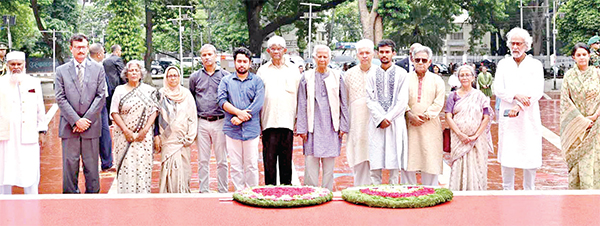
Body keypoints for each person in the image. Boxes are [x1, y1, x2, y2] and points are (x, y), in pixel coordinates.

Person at [493, 27, 544, 190]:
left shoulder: (535, 65)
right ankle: (507, 189)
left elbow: (537, 91)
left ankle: (530, 189)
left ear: (526, 45)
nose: (515, 47)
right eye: (512, 43)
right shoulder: (503, 64)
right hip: (508, 115)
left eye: (518, 44)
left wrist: (520, 105)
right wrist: (515, 95)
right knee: (508, 150)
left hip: (528, 115)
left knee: (529, 149)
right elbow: (498, 89)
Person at [55, 34, 106, 193]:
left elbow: (101, 95)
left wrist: (86, 120)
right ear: (71, 48)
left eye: (84, 47)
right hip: (70, 127)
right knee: (70, 168)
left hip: (91, 127)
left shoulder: (98, 69)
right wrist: (76, 121)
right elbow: (60, 97)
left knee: (92, 168)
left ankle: (93, 201)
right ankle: (69, 202)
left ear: (87, 47)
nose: (81, 50)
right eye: (77, 47)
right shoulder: (61, 71)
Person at [297, 45, 349, 191]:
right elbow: (301, 104)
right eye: (319, 56)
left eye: (325, 56)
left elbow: (344, 103)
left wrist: (343, 126)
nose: (322, 59)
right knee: (310, 165)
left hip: (331, 126)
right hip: (312, 126)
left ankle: (327, 193)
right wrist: (302, 128)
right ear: (314, 58)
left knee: (329, 167)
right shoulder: (306, 77)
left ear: (329, 58)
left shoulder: (338, 76)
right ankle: (310, 193)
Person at [256, 36, 302, 185]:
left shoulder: (294, 71)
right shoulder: (262, 71)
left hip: (287, 122)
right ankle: (269, 193)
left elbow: (300, 97)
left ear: (285, 50)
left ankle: (286, 193)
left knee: (286, 162)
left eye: (279, 48)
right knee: (269, 162)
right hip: (268, 122)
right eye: (273, 48)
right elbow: (257, 98)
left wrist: (297, 121)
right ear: (268, 51)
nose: (276, 51)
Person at [217, 47, 264, 191]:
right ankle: (239, 192)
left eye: (245, 61)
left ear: (250, 63)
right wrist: (238, 113)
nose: (241, 64)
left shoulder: (257, 81)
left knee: (251, 164)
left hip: (251, 130)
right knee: (236, 165)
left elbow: (258, 103)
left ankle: (252, 193)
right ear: (235, 62)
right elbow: (221, 100)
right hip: (232, 129)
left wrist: (241, 119)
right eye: (239, 61)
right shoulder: (226, 81)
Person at [0, 51, 47, 194]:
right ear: (7, 65)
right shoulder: (0, 83)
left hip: (28, 133)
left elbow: (40, 108)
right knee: (4, 170)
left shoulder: (33, 82)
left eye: (19, 64)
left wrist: (42, 130)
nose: (16, 67)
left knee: (29, 169)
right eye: (12, 64)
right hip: (5, 135)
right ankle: (3, 201)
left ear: (24, 65)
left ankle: (32, 198)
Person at [365, 39, 409, 185]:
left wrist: (388, 118)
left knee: (394, 158)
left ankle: (393, 191)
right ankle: (375, 191)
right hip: (377, 123)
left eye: (387, 52)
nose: (384, 55)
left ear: (393, 53)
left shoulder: (402, 74)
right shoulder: (371, 73)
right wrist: (380, 119)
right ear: (377, 54)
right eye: (381, 52)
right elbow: (369, 99)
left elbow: (402, 100)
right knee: (375, 157)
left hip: (395, 122)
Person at [110, 60, 158, 193]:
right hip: (124, 136)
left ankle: (143, 196)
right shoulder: (119, 90)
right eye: (131, 70)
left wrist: (145, 130)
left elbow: (154, 111)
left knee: (143, 167)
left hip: (144, 137)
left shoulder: (149, 91)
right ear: (126, 73)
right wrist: (126, 130)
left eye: (137, 70)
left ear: (141, 73)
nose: (134, 73)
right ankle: (125, 197)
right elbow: (114, 111)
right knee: (127, 166)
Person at [445, 65, 493, 191]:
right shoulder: (453, 96)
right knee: (459, 166)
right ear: (458, 77)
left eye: (467, 75)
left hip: (477, 140)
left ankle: (477, 193)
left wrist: (475, 136)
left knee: (477, 167)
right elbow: (448, 116)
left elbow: (486, 117)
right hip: (458, 138)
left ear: (473, 77)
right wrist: (460, 134)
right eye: (462, 75)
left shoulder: (480, 96)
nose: (465, 77)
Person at [189, 44, 230, 193]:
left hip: (220, 121)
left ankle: (223, 189)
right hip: (202, 122)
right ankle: (203, 190)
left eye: (209, 54)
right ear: (201, 58)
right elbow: (192, 98)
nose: (207, 57)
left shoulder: (225, 76)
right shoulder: (195, 77)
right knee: (203, 160)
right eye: (204, 55)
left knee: (222, 160)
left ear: (215, 55)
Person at [560, 43, 600, 189]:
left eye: (584, 54)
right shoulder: (568, 76)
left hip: (596, 126)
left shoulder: (597, 74)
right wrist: (581, 121)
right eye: (578, 55)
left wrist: (595, 116)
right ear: (573, 58)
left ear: (589, 56)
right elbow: (565, 101)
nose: (582, 57)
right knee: (578, 160)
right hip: (576, 126)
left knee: (594, 159)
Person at [405, 45, 445, 186]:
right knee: (409, 159)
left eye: (424, 60)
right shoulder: (405, 79)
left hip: (430, 125)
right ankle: (408, 192)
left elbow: (439, 102)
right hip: (409, 125)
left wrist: (425, 116)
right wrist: (409, 114)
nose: (420, 62)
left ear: (429, 62)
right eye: (417, 60)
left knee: (430, 158)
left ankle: (431, 191)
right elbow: (400, 100)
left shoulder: (437, 80)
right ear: (413, 60)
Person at [157, 66, 197, 193]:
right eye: (170, 76)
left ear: (179, 77)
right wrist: (157, 136)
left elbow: (192, 116)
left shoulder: (186, 95)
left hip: (182, 140)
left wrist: (190, 136)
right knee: (168, 170)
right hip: (167, 140)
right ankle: (167, 193)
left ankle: (183, 192)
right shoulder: (160, 94)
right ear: (166, 78)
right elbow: (155, 117)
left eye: (175, 75)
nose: (172, 78)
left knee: (183, 170)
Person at [343, 39, 376, 186]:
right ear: (357, 55)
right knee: (358, 154)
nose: (364, 56)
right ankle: (359, 188)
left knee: (375, 155)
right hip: (356, 121)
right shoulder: (349, 74)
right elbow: (345, 100)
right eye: (361, 53)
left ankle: (376, 189)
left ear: (373, 54)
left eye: (367, 53)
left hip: (375, 122)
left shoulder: (379, 73)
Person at [89, 43, 114, 171]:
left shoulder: (98, 66)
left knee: (102, 133)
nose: (104, 54)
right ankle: (106, 162)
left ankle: (105, 161)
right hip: (98, 104)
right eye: (103, 52)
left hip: (101, 103)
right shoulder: (93, 67)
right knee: (103, 133)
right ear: (99, 54)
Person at [103, 44, 126, 121]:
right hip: (117, 86)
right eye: (120, 50)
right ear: (117, 51)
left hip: (108, 86)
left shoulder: (105, 61)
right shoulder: (117, 59)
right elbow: (122, 73)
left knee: (109, 106)